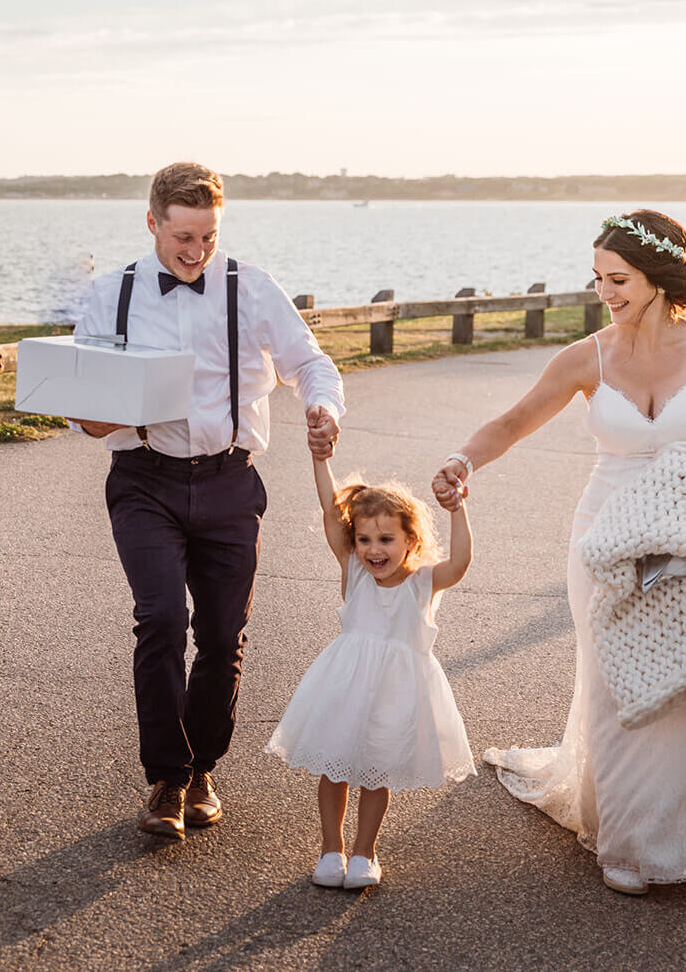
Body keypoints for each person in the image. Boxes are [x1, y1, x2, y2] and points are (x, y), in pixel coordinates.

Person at [432, 209, 686, 895]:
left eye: (617, 278)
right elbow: (513, 420)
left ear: (657, 278)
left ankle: (679, 832)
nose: (606, 291)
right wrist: (460, 460)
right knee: (616, 680)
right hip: (604, 535)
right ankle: (624, 842)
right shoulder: (587, 356)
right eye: (598, 278)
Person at [72, 162, 345, 839]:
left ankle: (202, 769)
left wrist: (321, 404)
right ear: (153, 223)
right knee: (160, 617)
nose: (195, 251)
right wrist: (93, 417)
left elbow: (311, 362)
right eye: (183, 236)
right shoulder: (112, 293)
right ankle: (167, 777)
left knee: (222, 635)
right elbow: (81, 404)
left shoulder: (251, 287)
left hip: (229, 479)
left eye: (208, 236)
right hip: (143, 479)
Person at [264, 438, 475, 889]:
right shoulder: (355, 572)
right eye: (364, 539)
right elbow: (328, 511)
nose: (373, 550)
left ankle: (365, 852)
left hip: (395, 694)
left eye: (385, 539)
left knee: (376, 773)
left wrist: (458, 510)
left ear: (410, 539)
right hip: (345, 685)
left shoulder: (422, 583)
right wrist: (321, 460)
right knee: (335, 767)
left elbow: (458, 564)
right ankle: (331, 850)